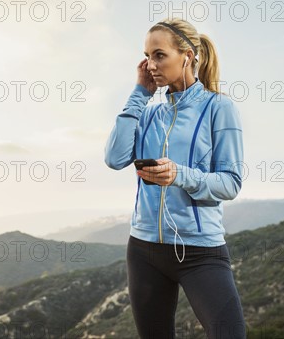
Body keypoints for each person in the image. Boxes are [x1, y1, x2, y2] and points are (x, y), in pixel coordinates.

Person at [104, 18, 247, 338]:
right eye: (146, 56)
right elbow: (114, 159)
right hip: (143, 251)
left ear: (187, 55)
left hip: (200, 252)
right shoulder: (151, 111)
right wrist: (140, 93)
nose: (150, 64)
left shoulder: (219, 107)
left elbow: (231, 182)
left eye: (159, 55)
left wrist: (180, 175)